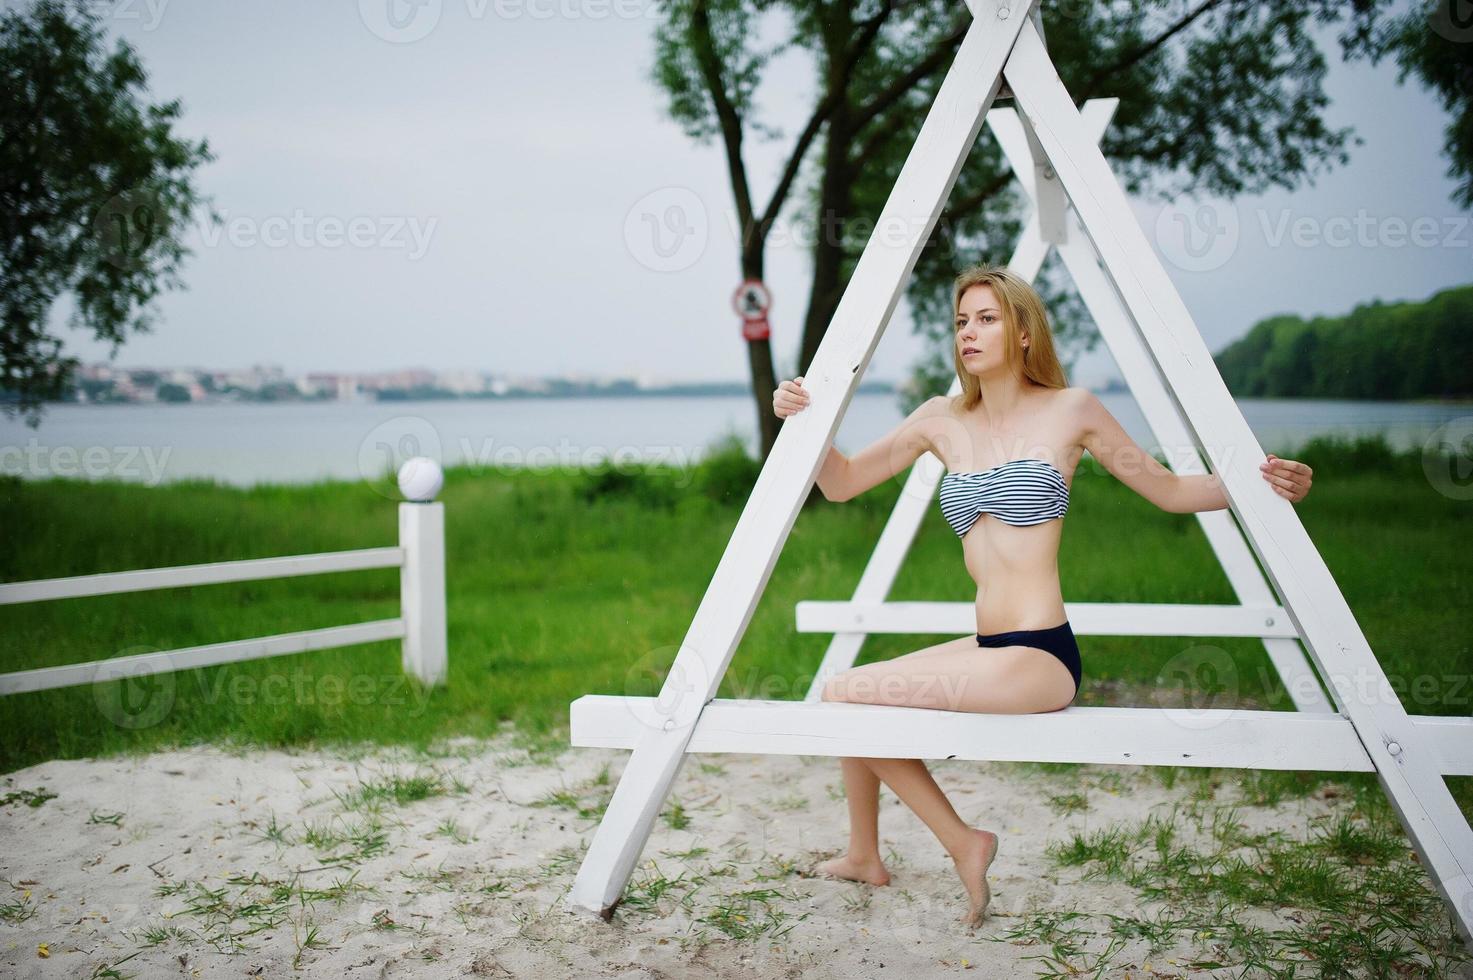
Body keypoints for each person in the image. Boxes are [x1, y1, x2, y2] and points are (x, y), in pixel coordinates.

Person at [770, 263, 1314, 929]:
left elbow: (1170, 490)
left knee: (846, 697)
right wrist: (805, 421)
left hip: (1040, 656)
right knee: (846, 688)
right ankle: (863, 855)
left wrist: (1261, 485)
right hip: (987, 646)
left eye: (986, 319)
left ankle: (962, 843)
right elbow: (842, 482)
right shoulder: (940, 419)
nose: (968, 333)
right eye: (961, 321)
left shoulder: (1071, 410)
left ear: (1023, 332)